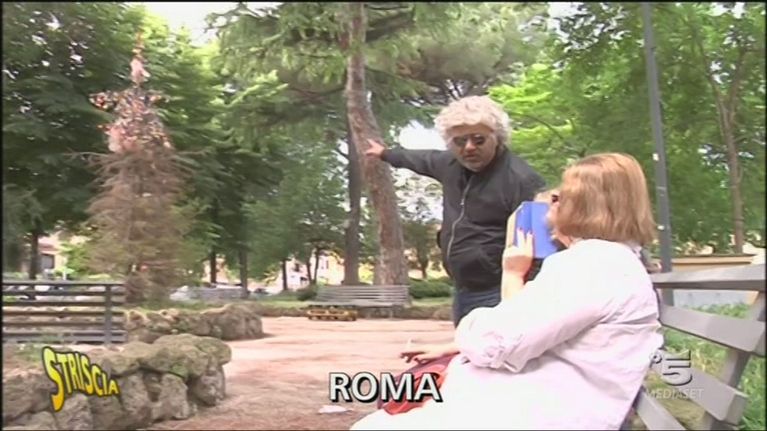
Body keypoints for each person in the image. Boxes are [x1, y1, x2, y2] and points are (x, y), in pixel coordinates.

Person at [350, 152, 665, 430]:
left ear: (583, 207)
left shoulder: (592, 265)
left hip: (536, 412)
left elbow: (499, 344)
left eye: (558, 198)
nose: (549, 208)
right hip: (542, 403)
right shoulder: (604, 264)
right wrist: (461, 345)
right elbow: (518, 332)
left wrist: (498, 292)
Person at [366, 96, 546, 327]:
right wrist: (385, 153)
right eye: (459, 141)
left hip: (498, 290)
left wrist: (523, 297)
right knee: (466, 347)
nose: (469, 147)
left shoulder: (522, 180)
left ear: (497, 137)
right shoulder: (449, 164)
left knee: (496, 348)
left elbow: (541, 245)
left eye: (478, 139)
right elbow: (420, 159)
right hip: (462, 288)